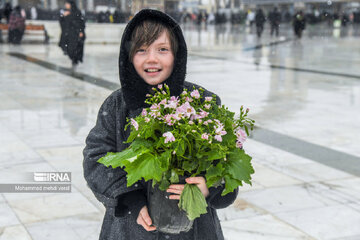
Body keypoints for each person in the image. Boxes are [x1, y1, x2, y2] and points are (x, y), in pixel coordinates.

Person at [83, 9, 238, 240]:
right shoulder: (117, 106)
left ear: (177, 54)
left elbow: (229, 163)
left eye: (162, 49)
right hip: (129, 230)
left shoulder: (201, 101)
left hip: (194, 230)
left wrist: (210, 187)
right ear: (129, 57)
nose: (152, 59)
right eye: (141, 50)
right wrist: (130, 199)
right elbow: (96, 158)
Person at [58, 0, 85, 70]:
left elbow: (81, 22)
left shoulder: (77, 12)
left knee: (75, 49)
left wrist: (81, 31)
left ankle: (75, 60)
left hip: (75, 34)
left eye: (67, 3)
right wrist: (63, 16)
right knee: (68, 49)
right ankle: (73, 59)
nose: (66, 5)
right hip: (68, 35)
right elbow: (62, 22)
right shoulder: (65, 12)